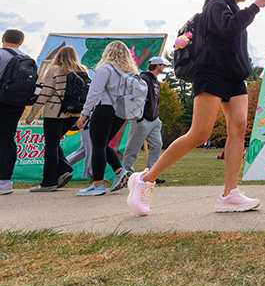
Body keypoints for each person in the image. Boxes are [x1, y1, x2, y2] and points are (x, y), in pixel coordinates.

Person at [127, 0, 265, 216]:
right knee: (200, 133)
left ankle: (229, 194)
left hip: (234, 76)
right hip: (212, 72)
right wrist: (256, 6)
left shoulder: (236, 11)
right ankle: (145, 179)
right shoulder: (216, 3)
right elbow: (228, 29)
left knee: (237, 128)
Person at [75, 40, 138, 196]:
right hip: (121, 112)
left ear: (107, 52)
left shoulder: (105, 68)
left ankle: (97, 185)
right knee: (102, 144)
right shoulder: (129, 72)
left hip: (104, 108)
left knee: (97, 145)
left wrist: (84, 113)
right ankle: (119, 171)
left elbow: (94, 93)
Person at [24, 46, 88, 191]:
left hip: (55, 112)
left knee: (51, 145)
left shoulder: (55, 69)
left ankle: (49, 182)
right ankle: (62, 170)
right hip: (74, 113)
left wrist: (32, 114)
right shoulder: (82, 70)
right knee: (54, 142)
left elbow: (45, 93)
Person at [113, 56, 168, 191]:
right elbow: (135, 99)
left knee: (157, 145)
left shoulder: (155, 81)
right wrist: (139, 118)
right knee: (133, 148)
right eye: (163, 65)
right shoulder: (144, 78)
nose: (164, 67)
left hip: (154, 120)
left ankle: (151, 174)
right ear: (157, 65)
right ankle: (127, 175)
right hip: (142, 120)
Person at [0, 29, 29, 195]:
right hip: (16, 104)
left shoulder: (1, 54)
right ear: (21, 42)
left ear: (2, 39)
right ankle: (4, 181)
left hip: (1, 100)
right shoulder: (27, 59)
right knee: (7, 138)